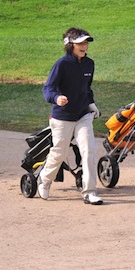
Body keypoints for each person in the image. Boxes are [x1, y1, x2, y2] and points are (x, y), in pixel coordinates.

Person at [40, 27, 103, 205]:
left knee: (89, 149)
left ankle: (89, 191)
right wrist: (56, 98)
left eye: (85, 43)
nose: (84, 46)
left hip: (83, 114)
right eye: (80, 43)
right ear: (70, 45)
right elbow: (48, 89)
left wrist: (91, 103)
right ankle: (45, 179)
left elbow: (86, 88)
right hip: (62, 116)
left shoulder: (89, 64)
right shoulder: (61, 64)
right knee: (59, 153)